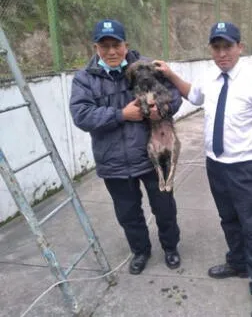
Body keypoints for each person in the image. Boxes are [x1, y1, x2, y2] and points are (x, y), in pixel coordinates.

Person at [153, 21, 252, 317]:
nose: (222, 53)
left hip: (246, 168)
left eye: (228, 46)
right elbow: (192, 95)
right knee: (228, 219)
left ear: (240, 48)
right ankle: (237, 263)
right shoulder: (210, 78)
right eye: (217, 47)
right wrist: (171, 74)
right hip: (215, 165)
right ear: (211, 49)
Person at [69, 19, 183, 275]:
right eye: (104, 45)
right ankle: (141, 251)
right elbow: (82, 116)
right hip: (113, 162)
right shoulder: (85, 79)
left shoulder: (146, 66)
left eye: (116, 45)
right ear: (96, 47)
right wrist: (121, 114)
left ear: (125, 44)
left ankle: (171, 248)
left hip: (150, 156)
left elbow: (174, 96)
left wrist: (160, 111)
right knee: (128, 214)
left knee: (165, 207)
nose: (111, 51)